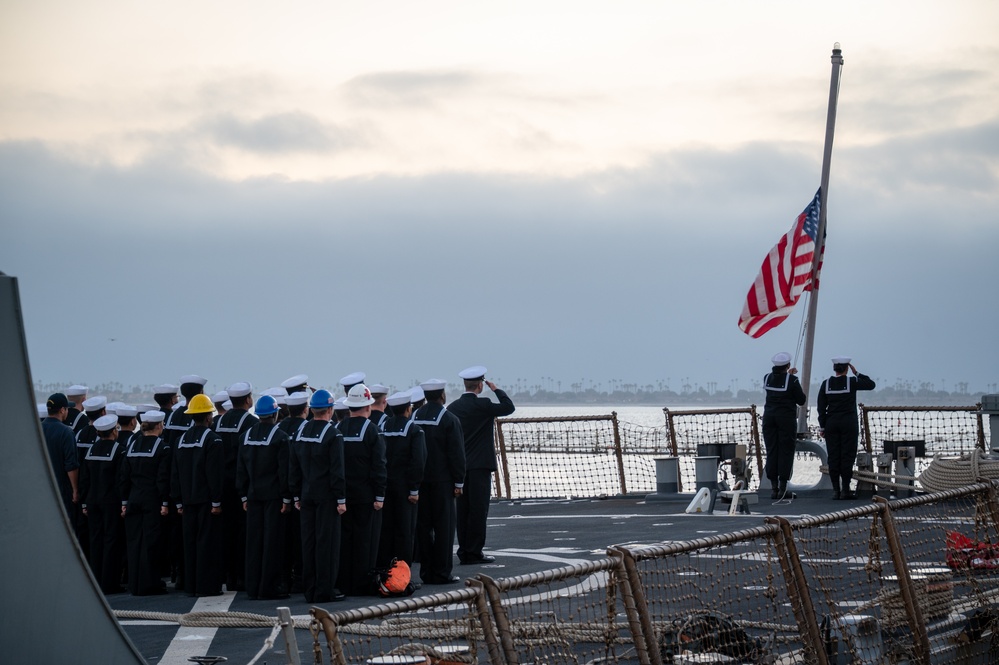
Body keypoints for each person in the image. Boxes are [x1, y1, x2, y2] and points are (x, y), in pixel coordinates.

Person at [447, 366, 515, 565]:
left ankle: (463, 550)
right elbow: (508, 407)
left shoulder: (453, 408)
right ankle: (474, 552)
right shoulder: (484, 405)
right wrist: (496, 390)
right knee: (478, 510)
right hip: (480, 467)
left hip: (459, 467)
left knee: (463, 511)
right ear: (480, 385)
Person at [289, 389, 347, 602]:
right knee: (327, 544)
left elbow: (293, 467)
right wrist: (341, 499)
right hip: (327, 497)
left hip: (306, 495)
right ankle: (325, 590)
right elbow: (337, 471)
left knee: (309, 543)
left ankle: (310, 588)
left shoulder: (300, 433)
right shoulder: (333, 434)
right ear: (330, 410)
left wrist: (296, 495)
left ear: (312, 410)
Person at [237, 395, 292, 600]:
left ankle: (253, 586)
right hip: (273, 497)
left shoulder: (245, 436)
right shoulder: (281, 437)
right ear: (276, 413)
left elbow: (240, 470)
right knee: (272, 542)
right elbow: (284, 472)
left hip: (252, 496)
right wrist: (287, 498)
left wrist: (243, 495)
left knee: (254, 542)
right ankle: (269, 587)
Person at [171, 394, 225, 597]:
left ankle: (191, 586)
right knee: (206, 544)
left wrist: (177, 501)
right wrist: (216, 501)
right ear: (209, 417)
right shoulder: (213, 440)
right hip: (205, 501)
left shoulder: (180, 440)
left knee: (190, 544)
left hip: (186, 500)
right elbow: (214, 475)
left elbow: (174, 473)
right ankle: (207, 586)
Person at [336, 384, 387, 595]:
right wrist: (380, 494)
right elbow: (379, 465)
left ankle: (344, 582)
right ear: (368, 405)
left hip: (344, 496)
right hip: (366, 496)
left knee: (344, 540)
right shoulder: (372, 430)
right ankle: (362, 583)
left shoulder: (338, 428)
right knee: (365, 541)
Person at [413, 379, 465, 585]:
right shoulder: (449, 419)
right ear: (442, 395)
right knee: (444, 527)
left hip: (420, 481)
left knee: (423, 528)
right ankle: (443, 572)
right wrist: (459, 482)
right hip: (443, 481)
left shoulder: (414, 417)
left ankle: (426, 571)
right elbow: (456, 454)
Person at [119, 409, 171, 595]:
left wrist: (124, 501)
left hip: (133, 498)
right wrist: (165, 502)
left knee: (134, 542)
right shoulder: (163, 447)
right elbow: (162, 478)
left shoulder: (131, 446)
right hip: (152, 499)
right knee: (151, 543)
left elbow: (124, 477)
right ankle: (150, 583)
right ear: (159, 425)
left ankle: (135, 583)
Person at [215, 381, 257, 592]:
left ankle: (228, 575)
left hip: (222, 483)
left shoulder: (219, 422)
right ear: (248, 399)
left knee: (226, 531)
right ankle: (241, 576)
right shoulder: (250, 422)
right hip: (241, 484)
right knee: (243, 532)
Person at [377, 391, 427, 568]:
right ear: (408, 409)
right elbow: (418, 462)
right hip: (405, 488)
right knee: (405, 532)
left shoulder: (382, 428)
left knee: (386, 531)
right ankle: (403, 574)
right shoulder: (414, 430)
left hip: (385, 487)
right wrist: (414, 489)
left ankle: (385, 570)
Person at [818, 356, 877, 500]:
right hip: (848, 423)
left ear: (834, 369)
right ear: (846, 369)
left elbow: (821, 407)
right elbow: (870, 384)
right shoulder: (851, 382)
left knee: (833, 456)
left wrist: (823, 426)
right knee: (847, 456)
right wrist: (856, 373)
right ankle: (845, 489)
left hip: (831, 423)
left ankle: (835, 491)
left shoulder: (826, 384)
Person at [80, 414, 126, 594]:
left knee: (95, 540)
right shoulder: (119, 450)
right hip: (110, 502)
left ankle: (95, 580)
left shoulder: (90, 450)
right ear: (114, 431)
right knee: (111, 541)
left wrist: (84, 503)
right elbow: (120, 480)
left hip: (92, 501)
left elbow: (85, 479)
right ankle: (109, 583)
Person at [762, 352, 807, 500]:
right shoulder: (792, 381)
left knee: (772, 450)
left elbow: (778, 381)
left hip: (769, 418)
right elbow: (801, 400)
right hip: (786, 419)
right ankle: (782, 488)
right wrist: (792, 378)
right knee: (785, 451)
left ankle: (774, 488)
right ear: (788, 365)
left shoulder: (767, 378)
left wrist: (788, 376)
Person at [41, 392, 80, 519]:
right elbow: (71, 465)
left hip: (41, 488)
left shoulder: (38, 429)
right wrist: (75, 490)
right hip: (61, 489)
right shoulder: (66, 432)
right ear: (62, 410)